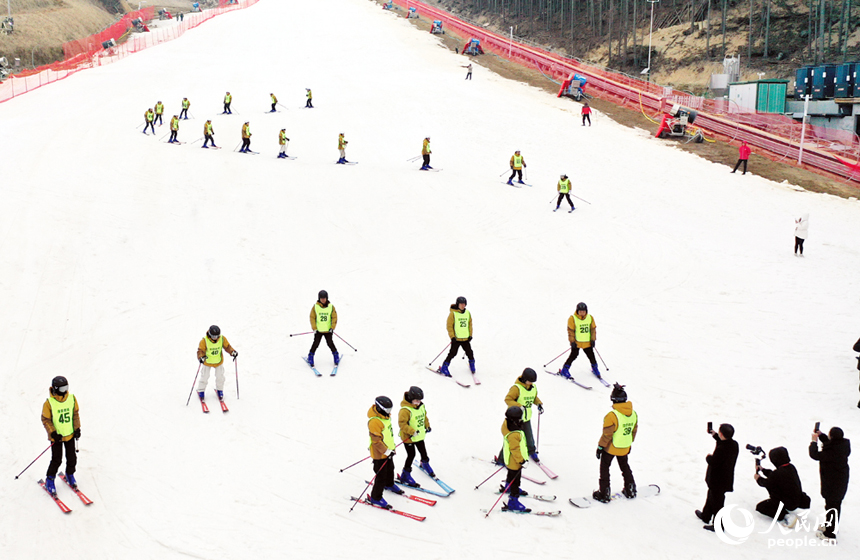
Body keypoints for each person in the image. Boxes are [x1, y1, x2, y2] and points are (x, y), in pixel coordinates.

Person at [593, 383, 637, 503]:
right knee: (625, 466)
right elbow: (634, 431)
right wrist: (628, 443)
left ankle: (604, 493)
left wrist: (600, 447)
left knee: (605, 467)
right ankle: (630, 488)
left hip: (611, 448)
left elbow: (607, 434)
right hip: (625, 447)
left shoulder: (612, 416)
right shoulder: (633, 414)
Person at [41, 376, 81, 495]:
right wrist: (52, 432)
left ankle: (70, 474)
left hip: (70, 434)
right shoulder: (49, 403)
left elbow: (75, 414)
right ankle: (50, 480)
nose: (65, 391)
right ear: (56, 389)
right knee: (57, 460)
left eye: (66, 388)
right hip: (57, 438)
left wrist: (77, 428)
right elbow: (46, 419)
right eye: (62, 389)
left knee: (72, 458)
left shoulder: (72, 398)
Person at [809, 427, 851, 542]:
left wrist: (814, 442)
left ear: (832, 437)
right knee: (834, 506)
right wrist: (821, 435)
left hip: (833, 484)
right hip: (839, 481)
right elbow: (830, 444)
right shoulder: (842, 446)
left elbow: (814, 455)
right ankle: (831, 527)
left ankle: (830, 534)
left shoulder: (831, 452)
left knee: (832, 507)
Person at [696, 423, 739, 531]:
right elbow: (724, 443)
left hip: (717, 480)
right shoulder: (734, 445)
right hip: (725, 479)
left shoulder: (721, 450)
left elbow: (713, 462)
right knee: (711, 496)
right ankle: (706, 515)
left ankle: (718, 525)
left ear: (722, 434)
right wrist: (715, 435)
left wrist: (708, 457)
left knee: (717, 502)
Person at [754, 446, 811, 526]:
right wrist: (763, 470)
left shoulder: (777, 474)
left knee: (761, 507)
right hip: (797, 499)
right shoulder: (790, 467)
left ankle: (786, 516)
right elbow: (774, 476)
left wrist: (758, 479)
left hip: (788, 503)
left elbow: (768, 483)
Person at [497, 368, 543, 463]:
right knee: (512, 438)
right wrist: (519, 406)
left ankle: (531, 451)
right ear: (524, 379)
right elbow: (508, 399)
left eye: (532, 382)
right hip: (515, 419)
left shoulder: (533, 387)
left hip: (526, 418)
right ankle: (502, 459)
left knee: (529, 436)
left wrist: (539, 403)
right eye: (529, 381)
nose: (531, 383)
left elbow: (533, 397)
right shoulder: (516, 388)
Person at [397, 386, 433, 486]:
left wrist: (427, 426)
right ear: (410, 398)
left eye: (419, 400)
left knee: (423, 451)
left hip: (419, 435)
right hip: (408, 437)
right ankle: (405, 474)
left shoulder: (421, 406)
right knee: (411, 455)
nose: (418, 402)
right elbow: (402, 424)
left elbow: (424, 417)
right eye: (416, 400)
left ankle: (425, 463)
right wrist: (412, 431)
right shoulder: (405, 410)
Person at [367, 396, 397, 508]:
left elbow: (388, 435)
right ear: (380, 408)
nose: (389, 412)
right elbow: (376, 441)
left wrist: (391, 448)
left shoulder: (385, 417)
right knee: (381, 476)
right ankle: (375, 497)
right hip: (380, 454)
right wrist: (386, 451)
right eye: (387, 410)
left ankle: (389, 484)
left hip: (388, 451)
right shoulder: (375, 421)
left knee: (390, 469)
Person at [195, 325, 237, 402]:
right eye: (213, 336)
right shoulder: (204, 341)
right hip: (207, 362)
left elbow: (227, 347)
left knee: (220, 377)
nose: (215, 338)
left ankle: (219, 390)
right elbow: (200, 350)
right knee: (205, 377)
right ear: (210, 334)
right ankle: (201, 390)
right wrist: (201, 357)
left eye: (217, 336)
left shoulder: (222, 339)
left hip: (218, 361)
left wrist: (232, 352)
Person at [499, 406, 529, 512]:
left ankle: (508, 486)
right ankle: (513, 502)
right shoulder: (514, 434)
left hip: (511, 460)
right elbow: (515, 449)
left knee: (511, 475)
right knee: (516, 481)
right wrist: (522, 461)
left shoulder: (507, 425)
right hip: (515, 461)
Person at [560, 302, 600, 379]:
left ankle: (595, 368)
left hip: (587, 342)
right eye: (580, 311)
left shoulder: (590, 317)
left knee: (591, 356)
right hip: (577, 342)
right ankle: (565, 369)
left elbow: (593, 329)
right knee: (573, 355)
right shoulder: (572, 318)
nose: (582, 313)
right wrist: (572, 341)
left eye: (583, 311)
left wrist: (593, 339)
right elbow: (570, 331)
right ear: (577, 311)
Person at [439, 296, 474, 377]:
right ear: (458, 304)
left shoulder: (467, 313)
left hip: (465, 338)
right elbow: (449, 326)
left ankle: (472, 364)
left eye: (464, 304)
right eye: (461, 304)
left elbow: (470, 325)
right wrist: (452, 336)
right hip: (456, 339)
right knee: (452, 353)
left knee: (470, 352)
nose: (463, 305)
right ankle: (444, 367)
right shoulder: (453, 314)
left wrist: (470, 335)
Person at [307, 290, 339, 367]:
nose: (323, 300)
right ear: (319, 298)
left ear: (327, 298)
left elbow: (334, 317)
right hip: (318, 330)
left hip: (328, 330)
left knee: (330, 343)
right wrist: (314, 328)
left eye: (324, 298)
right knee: (316, 344)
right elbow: (312, 317)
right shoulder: (315, 307)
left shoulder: (331, 307)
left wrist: (332, 327)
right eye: (321, 298)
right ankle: (310, 356)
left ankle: (336, 355)